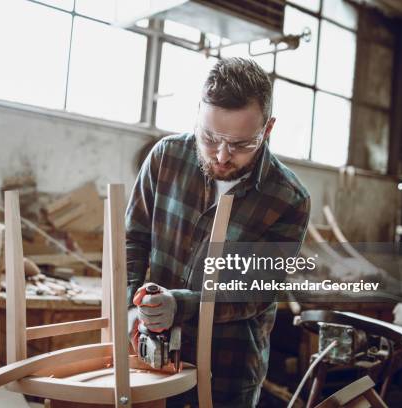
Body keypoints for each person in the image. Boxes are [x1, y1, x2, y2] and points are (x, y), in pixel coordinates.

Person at [126, 57, 311, 407]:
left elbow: (257, 290)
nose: (222, 156)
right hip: (153, 349)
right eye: (210, 137)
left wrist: (178, 305)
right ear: (198, 113)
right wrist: (131, 304)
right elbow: (133, 238)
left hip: (230, 364)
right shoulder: (165, 158)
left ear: (267, 129)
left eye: (241, 144)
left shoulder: (288, 198)